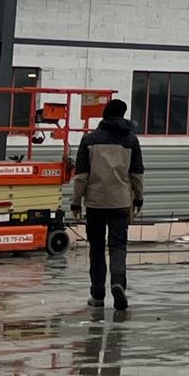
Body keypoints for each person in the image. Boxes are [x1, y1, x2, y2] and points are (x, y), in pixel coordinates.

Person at [70, 98, 144, 312]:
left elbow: (81, 176)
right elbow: (137, 174)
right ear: (123, 115)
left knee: (96, 248)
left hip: (95, 203)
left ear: (104, 114)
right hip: (121, 202)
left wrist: (76, 203)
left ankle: (97, 294)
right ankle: (118, 284)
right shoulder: (131, 141)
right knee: (118, 246)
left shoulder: (90, 140)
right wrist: (138, 198)